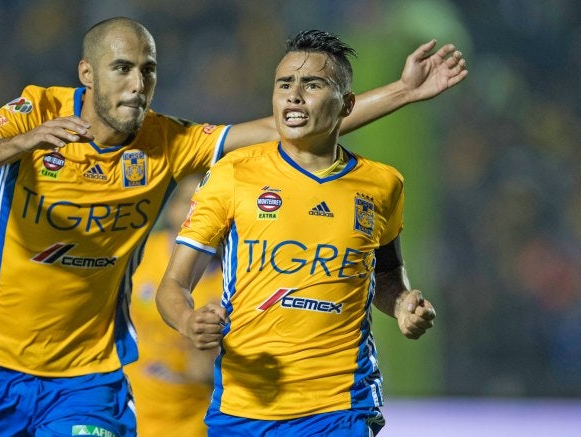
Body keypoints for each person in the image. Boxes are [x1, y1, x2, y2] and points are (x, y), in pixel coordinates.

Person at [0, 16, 465, 436]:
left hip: (90, 371)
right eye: (122, 68)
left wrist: (403, 91)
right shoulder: (36, 111)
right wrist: (20, 144)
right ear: (87, 73)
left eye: (149, 70)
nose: (138, 84)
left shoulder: (167, 141)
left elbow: (284, 127)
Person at [155, 29, 437, 437]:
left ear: (347, 105)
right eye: (284, 84)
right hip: (244, 404)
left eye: (313, 84)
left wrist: (403, 305)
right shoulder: (233, 174)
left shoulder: (382, 184)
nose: (294, 95)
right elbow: (173, 285)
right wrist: (187, 320)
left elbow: (389, 277)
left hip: (341, 405)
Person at [124, 175, 221, 437]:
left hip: (190, 419)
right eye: (190, 205)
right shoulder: (137, 257)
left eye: (212, 208)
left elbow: (208, 373)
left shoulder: (233, 282)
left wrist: (204, 347)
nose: (200, 218)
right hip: (127, 406)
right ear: (171, 208)